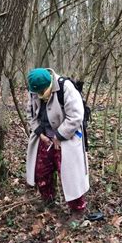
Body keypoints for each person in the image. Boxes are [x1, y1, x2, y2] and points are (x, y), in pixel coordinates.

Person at [25, 67, 89, 221]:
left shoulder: (65, 88)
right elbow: (31, 114)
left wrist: (59, 136)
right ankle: (48, 201)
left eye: (42, 92)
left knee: (69, 175)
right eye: (37, 93)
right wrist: (40, 133)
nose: (39, 96)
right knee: (42, 172)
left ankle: (78, 210)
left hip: (67, 138)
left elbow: (76, 116)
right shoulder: (34, 90)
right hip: (45, 137)